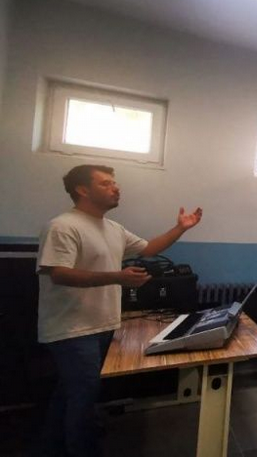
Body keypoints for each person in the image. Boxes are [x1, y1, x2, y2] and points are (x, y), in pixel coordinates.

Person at [37, 164, 203, 457]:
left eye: (114, 183)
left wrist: (181, 228)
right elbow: (59, 273)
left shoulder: (113, 228)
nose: (116, 188)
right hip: (72, 329)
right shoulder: (63, 226)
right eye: (106, 183)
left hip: (102, 324)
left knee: (71, 394)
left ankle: (51, 447)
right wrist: (117, 277)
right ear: (82, 190)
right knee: (83, 398)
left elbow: (149, 249)